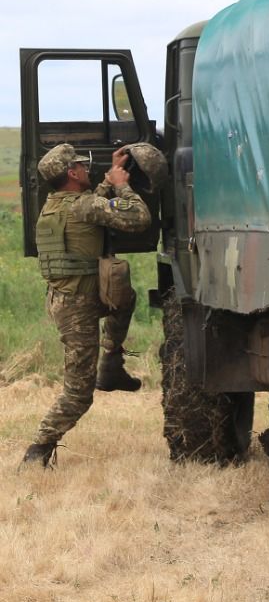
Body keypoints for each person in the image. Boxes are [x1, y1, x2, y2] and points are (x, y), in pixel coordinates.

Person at [22, 143, 152, 468]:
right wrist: (121, 185)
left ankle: (111, 363)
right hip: (78, 309)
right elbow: (139, 218)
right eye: (81, 166)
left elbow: (91, 205)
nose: (86, 169)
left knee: (124, 295)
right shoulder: (83, 207)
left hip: (71, 300)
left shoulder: (55, 204)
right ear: (72, 173)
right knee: (78, 393)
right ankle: (37, 451)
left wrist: (108, 179)